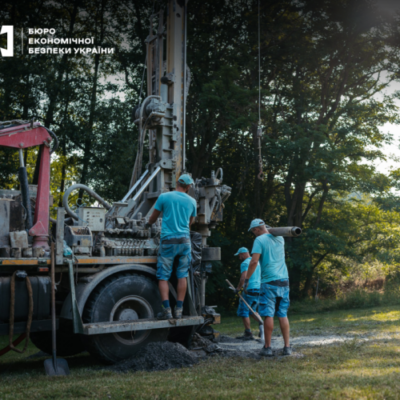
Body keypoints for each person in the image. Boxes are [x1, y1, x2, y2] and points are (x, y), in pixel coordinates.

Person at [146, 174, 197, 320]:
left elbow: (153, 217)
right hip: (184, 242)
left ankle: (167, 310)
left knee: (163, 276)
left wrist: (148, 225)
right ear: (188, 187)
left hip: (168, 241)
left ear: (177, 183)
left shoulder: (164, 197)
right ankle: (179, 310)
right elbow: (190, 222)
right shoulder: (192, 201)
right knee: (182, 275)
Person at [245, 219, 291, 356]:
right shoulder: (280, 237)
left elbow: (254, 262)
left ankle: (267, 347)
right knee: (282, 314)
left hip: (269, 281)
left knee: (268, 314)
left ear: (256, 230)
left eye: (253, 232)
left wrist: (247, 279)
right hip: (284, 280)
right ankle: (287, 347)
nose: (254, 234)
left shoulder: (259, 240)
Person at [234, 247, 263, 340]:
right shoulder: (257, 262)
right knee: (252, 311)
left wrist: (238, 288)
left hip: (249, 289)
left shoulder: (245, 263)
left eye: (239, 255)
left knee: (244, 311)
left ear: (243, 254)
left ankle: (248, 333)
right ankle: (263, 327)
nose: (239, 258)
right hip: (258, 289)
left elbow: (243, 278)